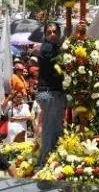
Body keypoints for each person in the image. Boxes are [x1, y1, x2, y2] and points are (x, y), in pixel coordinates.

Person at [35, 22, 65, 169]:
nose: (52, 34)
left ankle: (52, 158)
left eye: (54, 32)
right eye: (49, 32)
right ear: (45, 35)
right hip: (49, 93)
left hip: (54, 92)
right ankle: (43, 163)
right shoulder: (48, 48)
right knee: (50, 129)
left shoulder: (55, 47)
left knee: (57, 128)